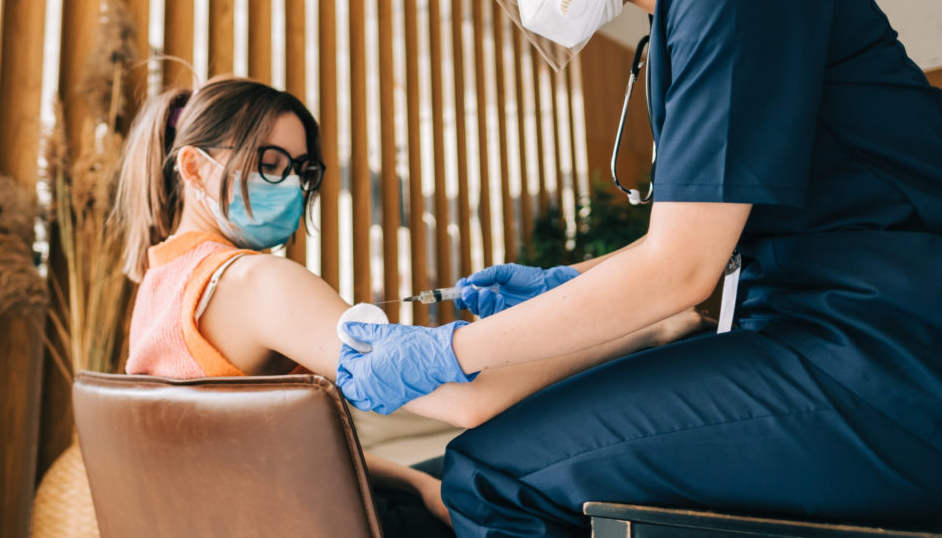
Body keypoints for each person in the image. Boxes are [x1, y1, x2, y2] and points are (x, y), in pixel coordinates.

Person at [335, 0, 942, 535]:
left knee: (490, 476)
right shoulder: (684, 7)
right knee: (456, 467)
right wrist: (562, 282)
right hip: (814, 334)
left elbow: (681, 269)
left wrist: (447, 351)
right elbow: (696, 238)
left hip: (887, 349)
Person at [112, 76, 702, 537]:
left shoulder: (161, 285)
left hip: (248, 518)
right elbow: (470, 400)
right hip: (313, 523)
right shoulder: (255, 282)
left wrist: (415, 484)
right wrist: (647, 328)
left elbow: (254, 457)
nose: (290, 185)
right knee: (531, 475)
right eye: (270, 164)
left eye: (301, 170)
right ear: (194, 167)